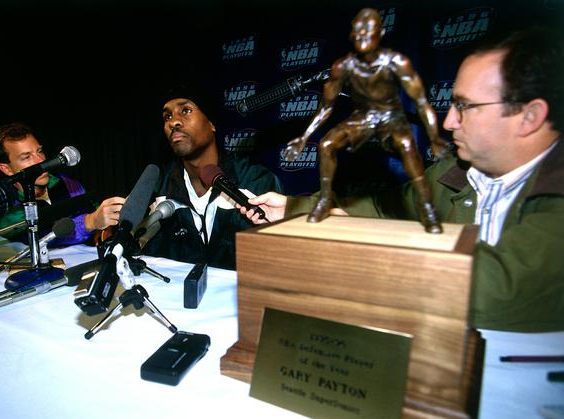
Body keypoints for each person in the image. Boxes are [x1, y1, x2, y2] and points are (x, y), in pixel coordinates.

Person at [239, 26, 564, 333]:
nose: (449, 122)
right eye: (452, 104)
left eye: (465, 106)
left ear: (529, 117)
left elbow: (498, 288)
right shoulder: (455, 172)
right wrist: (293, 209)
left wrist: (353, 242)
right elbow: (382, 208)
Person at [283, 8, 450, 233]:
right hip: (363, 117)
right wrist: (303, 138)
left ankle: (427, 206)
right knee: (327, 144)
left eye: (368, 30)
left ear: (380, 33)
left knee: (407, 146)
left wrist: (434, 137)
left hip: (390, 115)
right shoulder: (342, 67)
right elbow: (326, 107)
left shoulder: (397, 62)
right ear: (351, 35)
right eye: (357, 30)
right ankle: (324, 201)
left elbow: (421, 102)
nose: (362, 34)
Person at [141, 84, 283, 270]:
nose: (173, 122)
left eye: (185, 110)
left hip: (240, 295)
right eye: (167, 116)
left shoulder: (255, 180)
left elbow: (278, 258)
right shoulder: (158, 186)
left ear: (211, 124)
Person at [0, 122, 124, 246]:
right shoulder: (4, 206)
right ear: (7, 169)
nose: (40, 161)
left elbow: (94, 207)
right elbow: (37, 236)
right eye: (26, 157)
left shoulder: (67, 183)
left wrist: (104, 228)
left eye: (39, 151)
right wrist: (91, 222)